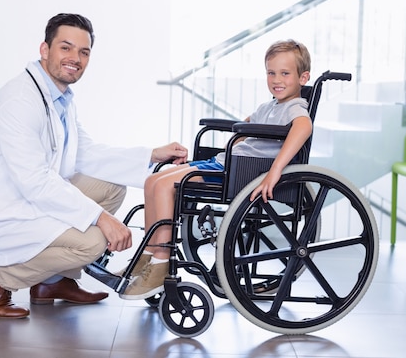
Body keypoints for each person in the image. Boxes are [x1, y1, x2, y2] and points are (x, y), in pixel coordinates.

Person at [0, 13, 188, 318]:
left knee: (110, 185)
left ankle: (52, 281)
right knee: (93, 242)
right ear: (44, 49)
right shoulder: (19, 102)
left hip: (24, 196)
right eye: (66, 48)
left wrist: (152, 154)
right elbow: (34, 181)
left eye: (84, 52)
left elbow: (85, 153)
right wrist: (100, 218)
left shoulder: (59, 97)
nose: (75, 58)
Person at [119, 39, 313, 300]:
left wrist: (275, 170)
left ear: (303, 77)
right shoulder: (270, 106)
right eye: (271, 72)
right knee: (153, 180)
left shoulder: (295, 107)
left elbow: (303, 128)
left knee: (165, 185)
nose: (276, 79)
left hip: (241, 171)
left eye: (285, 73)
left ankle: (161, 261)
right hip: (226, 162)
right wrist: (238, 138)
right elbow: (247, 124)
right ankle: (148, 256)